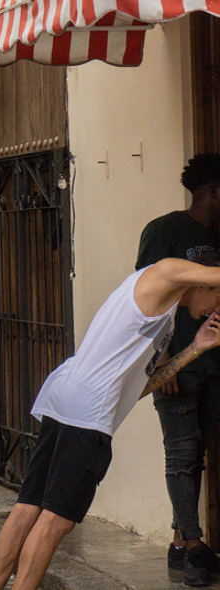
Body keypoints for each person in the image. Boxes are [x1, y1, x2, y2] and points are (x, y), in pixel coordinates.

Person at [0, 254, 220, 590]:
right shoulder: (162, 274)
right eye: (217, 299)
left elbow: (138, 387)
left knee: (28, 507)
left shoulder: (163, 318)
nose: (215, 312)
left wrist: (196, 348)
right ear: (201, 281)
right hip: (87, 414)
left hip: (65, 398)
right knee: (54, 522)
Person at [135, 153, 220, 582]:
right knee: (182, 455)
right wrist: (161, 357)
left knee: (196, 455)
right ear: (213, 192)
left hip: (214, 363)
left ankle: (178, 543)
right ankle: (195, 549)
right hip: (178, 363)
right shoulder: (165, 229)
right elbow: (144, 296)